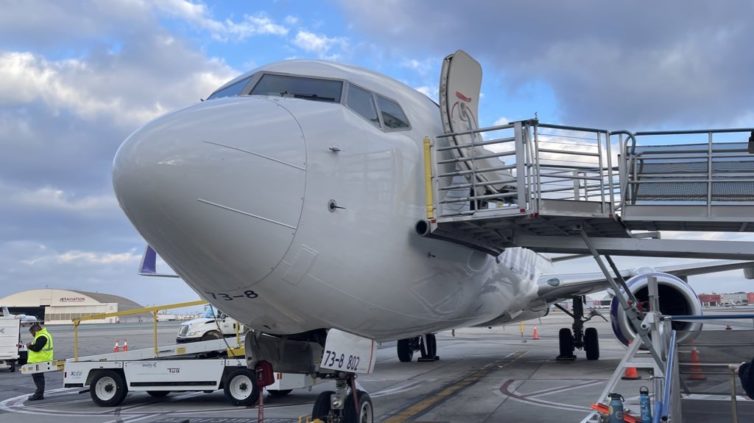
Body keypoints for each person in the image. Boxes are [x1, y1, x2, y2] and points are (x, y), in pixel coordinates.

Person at [25, 323, 54, 401]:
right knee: (39, 378)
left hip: (39, 361)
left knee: (38, 378)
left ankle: (39, 394)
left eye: (32, 333)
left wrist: (29, 346)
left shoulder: (42, 336)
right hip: (41, 360)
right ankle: (39, 394)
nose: (32, 335)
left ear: (35, 330)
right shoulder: (44, 335)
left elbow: (37, 348)